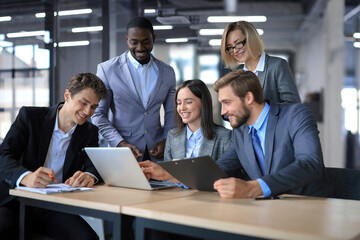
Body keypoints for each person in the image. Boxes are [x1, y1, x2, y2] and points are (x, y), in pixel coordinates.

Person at [0, 73, 107, 240]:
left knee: (87, 238)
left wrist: (90, 175)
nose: (88, 112)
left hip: (54, 206)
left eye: (93, 107)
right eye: (84, 103)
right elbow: (3, 155)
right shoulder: (30, 117)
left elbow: (93, 164)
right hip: (15, 202)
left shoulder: (89, 132)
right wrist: (25, 177)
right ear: (67, 95)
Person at [212, 69, 332, 199]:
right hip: (266, 209)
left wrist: (252, 188)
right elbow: (224, 165)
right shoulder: (240, 131)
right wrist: (192, 177)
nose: (223, 112)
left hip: (308, 206)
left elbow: (310, 163)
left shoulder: (295, 115)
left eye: (227, 102)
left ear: (248, 98)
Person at [92, 17, 176, 162]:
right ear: (126, 39)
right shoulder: (107, 70)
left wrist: (166, 140)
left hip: (157, 153)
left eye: (146, 42)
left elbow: (171, 112)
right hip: (122, 154)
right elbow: (98, 115)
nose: (140, 48)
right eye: (134, 42)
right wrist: (119, 143)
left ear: (153, 38)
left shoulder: (167, 72)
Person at [140, 79, 231, 183]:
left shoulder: (224, 136)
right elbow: (167, 180)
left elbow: (225, 177)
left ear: (203, 103)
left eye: (188, 102)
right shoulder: (173, 136)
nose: (182, 108)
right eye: (179, 103)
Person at [221, 21, 301, 104]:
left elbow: (293, 105)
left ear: (251, 39)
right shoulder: (237, 73)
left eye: (238, 43)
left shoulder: (277, 66)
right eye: (230, 47)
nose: (235, 50)